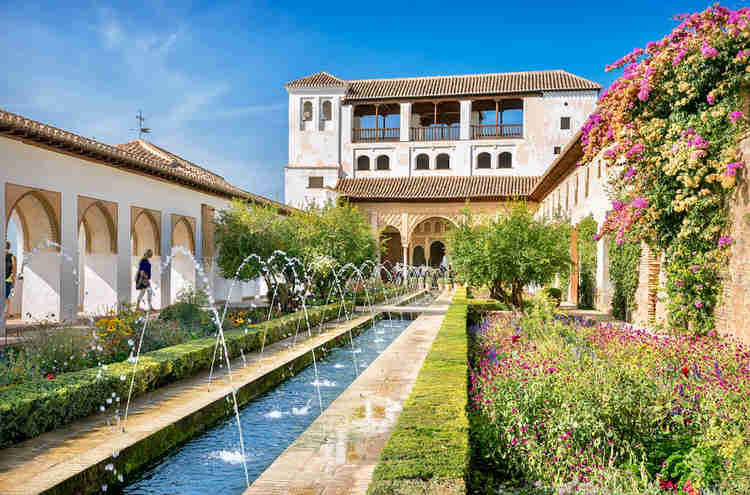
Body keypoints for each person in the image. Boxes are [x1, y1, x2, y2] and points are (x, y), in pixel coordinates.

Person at [5, 241, 16, 320]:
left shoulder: (11, 257)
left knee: (6, 297)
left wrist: (13, 281)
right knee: (6, 297)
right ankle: (6, 313)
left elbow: (14, 270)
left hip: (8, 280)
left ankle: (7, 313)